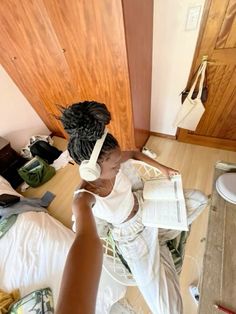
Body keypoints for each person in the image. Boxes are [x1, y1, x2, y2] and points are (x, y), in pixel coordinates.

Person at [58, 101, 208, 314]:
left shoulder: (114, 159)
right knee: (170, 310)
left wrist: (163, 168)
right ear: (91, 171)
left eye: (119, 160)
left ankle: (161, 242)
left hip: (148, 207)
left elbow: (135, 154)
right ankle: (160, 247)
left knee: (200, 199)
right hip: (132, 238)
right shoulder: (84, 198)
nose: (120, 167)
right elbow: (84, 240)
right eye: (114, 165)